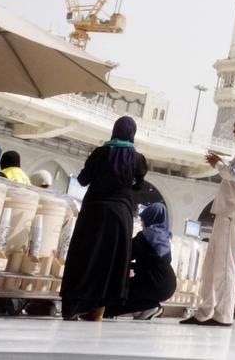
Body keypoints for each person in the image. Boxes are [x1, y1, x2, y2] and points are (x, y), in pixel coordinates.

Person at [182, 110, 235, 327]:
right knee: (213, 263)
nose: (234, 131)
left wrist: (219, 165)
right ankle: (206, 310)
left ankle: (223, 314)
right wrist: (223, 161)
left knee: (225, 265)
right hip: (228, 212)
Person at [60, 116, 148, 321]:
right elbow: (138, 187)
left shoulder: (100, 153)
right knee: (110, 261)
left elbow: (82, 180)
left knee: (85, 257)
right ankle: (97, 311)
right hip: (120, 215)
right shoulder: (137, 159)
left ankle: (72, 307)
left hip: (94, 212)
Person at [105, 202, 176, 319]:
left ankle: (148, 306)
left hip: (152, 284)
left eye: (143, 219)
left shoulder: (145, 236)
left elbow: (126, 254)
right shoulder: (165, 238)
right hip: (168, 285)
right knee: (132, 292)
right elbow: (152, 263)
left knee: (117, 295)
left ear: (150, 218)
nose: (142, 223)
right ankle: (150, 306)